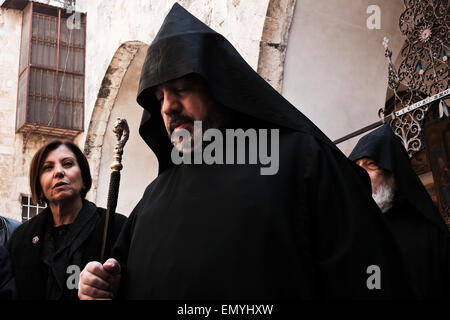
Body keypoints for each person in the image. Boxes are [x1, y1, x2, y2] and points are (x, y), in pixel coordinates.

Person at [78, 3, 413, 300]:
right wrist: (102, 286)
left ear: (219, 88)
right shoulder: (151, 199)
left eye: (181, 89)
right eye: (159, 97)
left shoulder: (301, 161)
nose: (169, 107)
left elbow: (367, 277)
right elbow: (120, 279)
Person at [6, 140, 127, 300]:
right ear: (39, 186)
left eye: (68, 164)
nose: (58, 172)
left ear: (83, 178)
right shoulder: (21, 238)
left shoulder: (116, 227)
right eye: (48, 167)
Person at [349, 123, 450, 299]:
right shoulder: (354, 234)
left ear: (394, 172)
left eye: (371, 164)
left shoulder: (430, 235)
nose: (361, 175)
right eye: (357, 167)